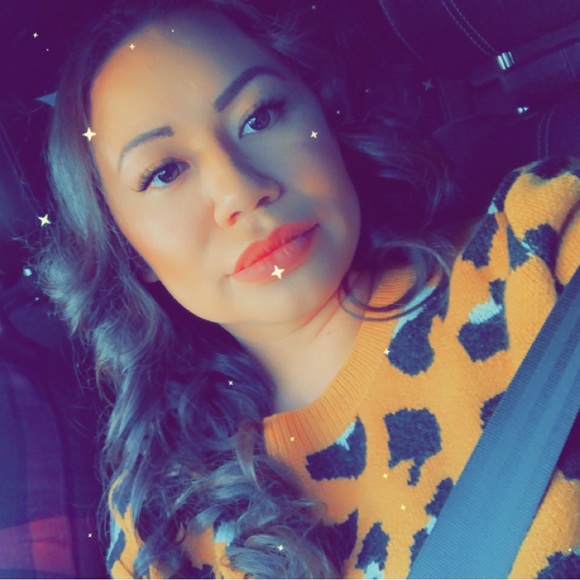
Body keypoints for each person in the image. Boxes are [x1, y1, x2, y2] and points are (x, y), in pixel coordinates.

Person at [38, 0, 580, 577]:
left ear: (326, 118)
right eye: (165, 172)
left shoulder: (539, 249)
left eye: (260, 116)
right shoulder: (161, 525)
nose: (240, 190)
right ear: (128, 250)